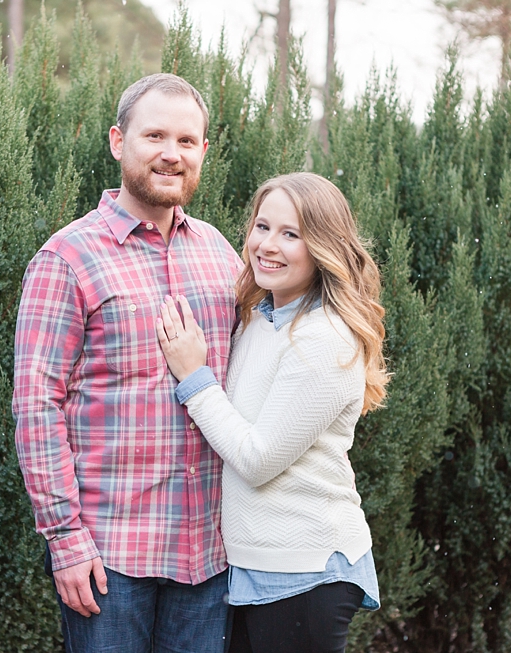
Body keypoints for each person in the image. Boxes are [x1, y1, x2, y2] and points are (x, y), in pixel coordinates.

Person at [12, 73, 243, 652]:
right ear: (119, 142)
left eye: (187, 142)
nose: (172, 154)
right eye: (155, 136)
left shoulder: (221, 254)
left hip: (209, 557)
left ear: (204, 153)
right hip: (110, 560)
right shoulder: (66, 258)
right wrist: (65, 539)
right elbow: (37, 406)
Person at [155, 172, 390, 653]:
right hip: (256, 568)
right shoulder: (261, 318)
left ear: (323, 246)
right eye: (262, 227)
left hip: (306, 572)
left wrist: (193, 377)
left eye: (291, 234)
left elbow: (258, 459)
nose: (268, 245)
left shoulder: (324, 338)